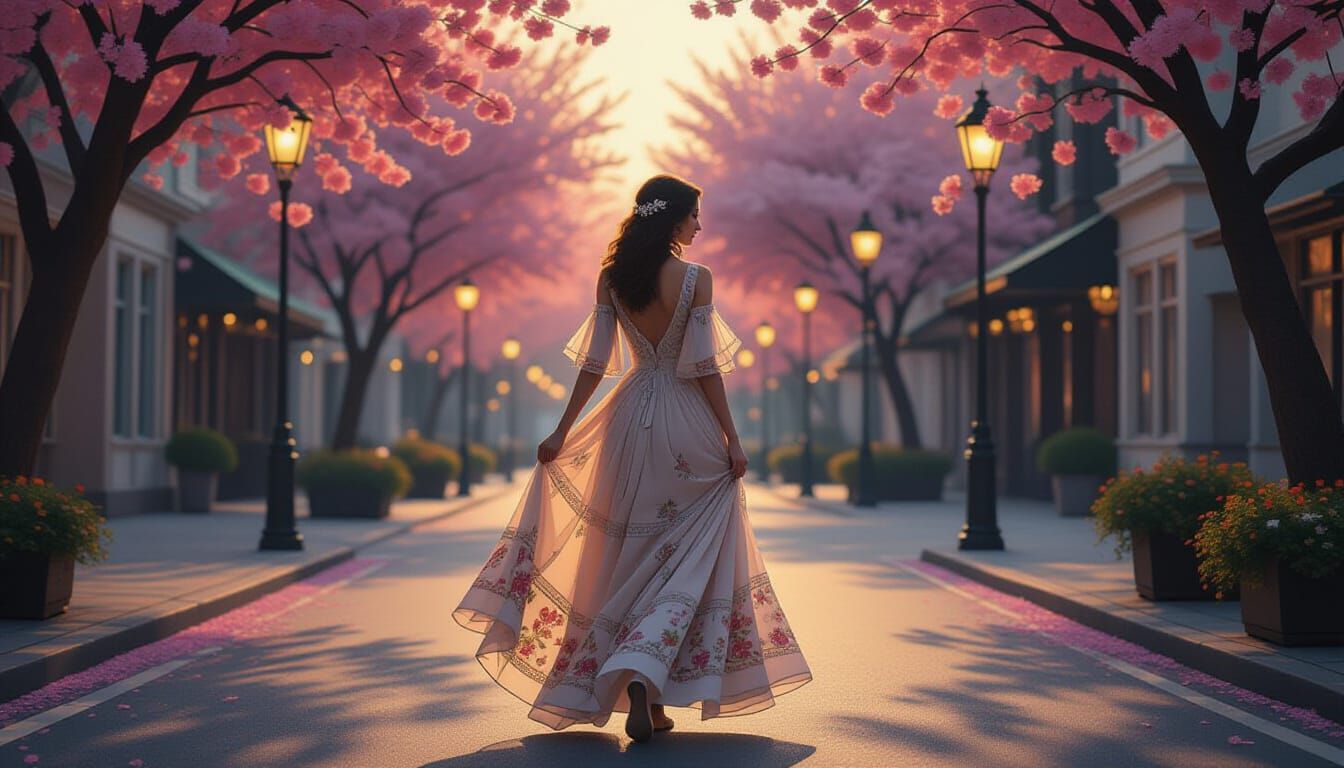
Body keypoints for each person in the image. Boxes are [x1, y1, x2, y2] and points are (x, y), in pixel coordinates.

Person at [452, 174, 811, 743]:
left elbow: (593, 365)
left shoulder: (612, 280)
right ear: (673, 220)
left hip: (624, 420)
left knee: (623, 550)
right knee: (685, 558)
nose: (701, 224)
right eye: (695, 215)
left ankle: (636, 680)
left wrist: (562, 430)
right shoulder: (697, 280)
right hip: (685, 424)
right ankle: (650, 676)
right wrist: (733, 439)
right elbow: (703, 368)